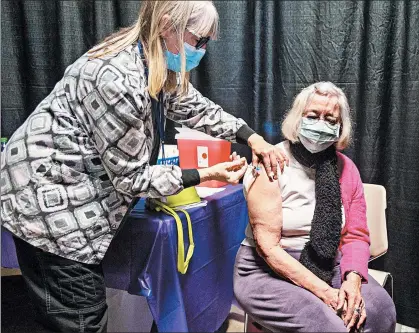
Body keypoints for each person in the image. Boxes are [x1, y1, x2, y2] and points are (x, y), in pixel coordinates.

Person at [0, 1, 287, 332]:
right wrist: (208, 173)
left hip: (65, 193)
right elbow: (132, 179)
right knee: (82, 319)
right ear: (167, 25)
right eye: (200, 40)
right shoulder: (119, 79)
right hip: (46, 204)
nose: (203, 49)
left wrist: (249, 136)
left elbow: (190, 103)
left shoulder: (151, 59)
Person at [233, 82, 396, 332]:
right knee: (329, 327)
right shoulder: (270, 163)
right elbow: (268, 249)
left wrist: (352, 281)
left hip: (330, 262)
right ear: (298, 119)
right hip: (266, 269)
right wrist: (327, 294)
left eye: (331, 119)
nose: (321, 124)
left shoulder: (346, 169)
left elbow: (355, 235)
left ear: (340, 128)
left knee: (381, 314)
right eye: (313, 116)